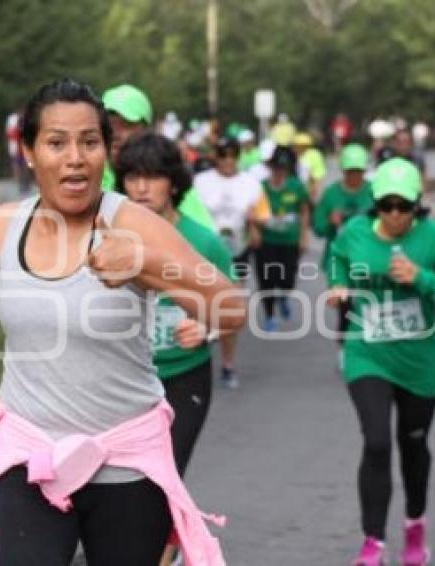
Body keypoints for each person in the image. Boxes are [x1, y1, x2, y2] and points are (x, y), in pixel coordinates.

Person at [0, 79, 243, 566]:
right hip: (30, 454)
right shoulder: (1, 226)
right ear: (28, 150)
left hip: (126, 458)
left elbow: (231, 308)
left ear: (106, 150)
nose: (75, 158)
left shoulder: (133, 224)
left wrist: (146, 265)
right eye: (56, 142)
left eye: (90, 142)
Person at [329, 158, 435, 565]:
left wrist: (421, 278)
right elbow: (336, 258)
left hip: (419, 363)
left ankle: (415, 525)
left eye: (403, 206)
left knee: (413, 446)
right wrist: (338, 283)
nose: (395, 214)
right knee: (376, 442)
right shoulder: (355, 232)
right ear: (375, 204)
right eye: (386, 205)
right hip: (367, 353)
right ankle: (373, 541)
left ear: (417, 205)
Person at [115, 132, 235, 566]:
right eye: (132, 177)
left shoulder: (203, 243)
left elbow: (232, 311)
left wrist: (206, 327)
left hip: (184, 376)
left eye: (153, 177)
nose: (142, 188)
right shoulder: (109, 240)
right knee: (124, 484)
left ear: (174, 183)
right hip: (124, 380)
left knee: (165, 475)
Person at [194, 136, 270, 389]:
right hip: (202, 251)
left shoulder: (251, 184)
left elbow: (264, 217)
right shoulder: (200, 182)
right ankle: (196, 354)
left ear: (238, 157)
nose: (227, 160)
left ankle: (228, 363)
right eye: (222, 155)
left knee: (229, 306)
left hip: (237, 252)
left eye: (232, 155)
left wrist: (255, 222)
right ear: (215, 156)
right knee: (199, 305)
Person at [100, 84, 216, 231]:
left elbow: (205, 241)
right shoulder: (89, 177)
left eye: (126, 125)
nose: (115, 133)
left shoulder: (169, 180)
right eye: (108, 126)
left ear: (146, 129)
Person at [312, 143, 373, 369]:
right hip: (340, 260)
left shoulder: (374, 192)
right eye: (350, 172)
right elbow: (317, 227)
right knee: (345, 306)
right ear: (343, 171)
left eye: (359, 171)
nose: (355, 176)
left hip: (370, 258)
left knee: (371, 303)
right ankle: (344, 348)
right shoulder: (331, 194)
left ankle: (371, 347)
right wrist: (330, 221)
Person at [255, 146, 310, 331]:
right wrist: (254, 230)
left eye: (283, 168)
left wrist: (304, 236)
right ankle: (270, 315)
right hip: (266, 241)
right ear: (270, 167)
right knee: (266, 280)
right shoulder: (261, 187)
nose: (279, 171)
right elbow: (252, 212)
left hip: (290, 241)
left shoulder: (296, 186)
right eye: (276, 167)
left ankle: (284, 296)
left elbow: (304, 211)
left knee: (287, 279)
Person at [292, 132, 327, 201]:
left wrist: (313, 195)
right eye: (297, 146)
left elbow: (317, 179)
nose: (299, 148)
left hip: (307, 194)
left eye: (302, 146)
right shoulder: (291, 156)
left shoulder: (314, 156)